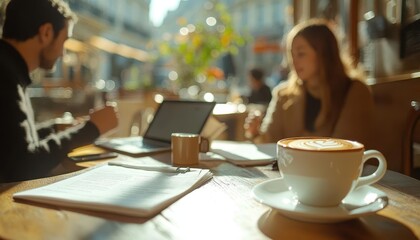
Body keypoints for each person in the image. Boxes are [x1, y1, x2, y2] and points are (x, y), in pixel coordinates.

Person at [1, 0, 118, 182]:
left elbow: (12, 144)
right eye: (64, 41)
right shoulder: (5, 76)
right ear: (46, 32)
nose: (63, 54)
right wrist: (91, 129)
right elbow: (22, 165)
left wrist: (56, 128)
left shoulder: (9, 69)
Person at [244, 19, 374, 148]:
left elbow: (344, 151)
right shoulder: (283, 95)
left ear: (324, 54)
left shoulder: (354, 91)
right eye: (291, 54)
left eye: (301, 54)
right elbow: (269, 142)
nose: (294, 61)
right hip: (289, 168)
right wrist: (255, 132)